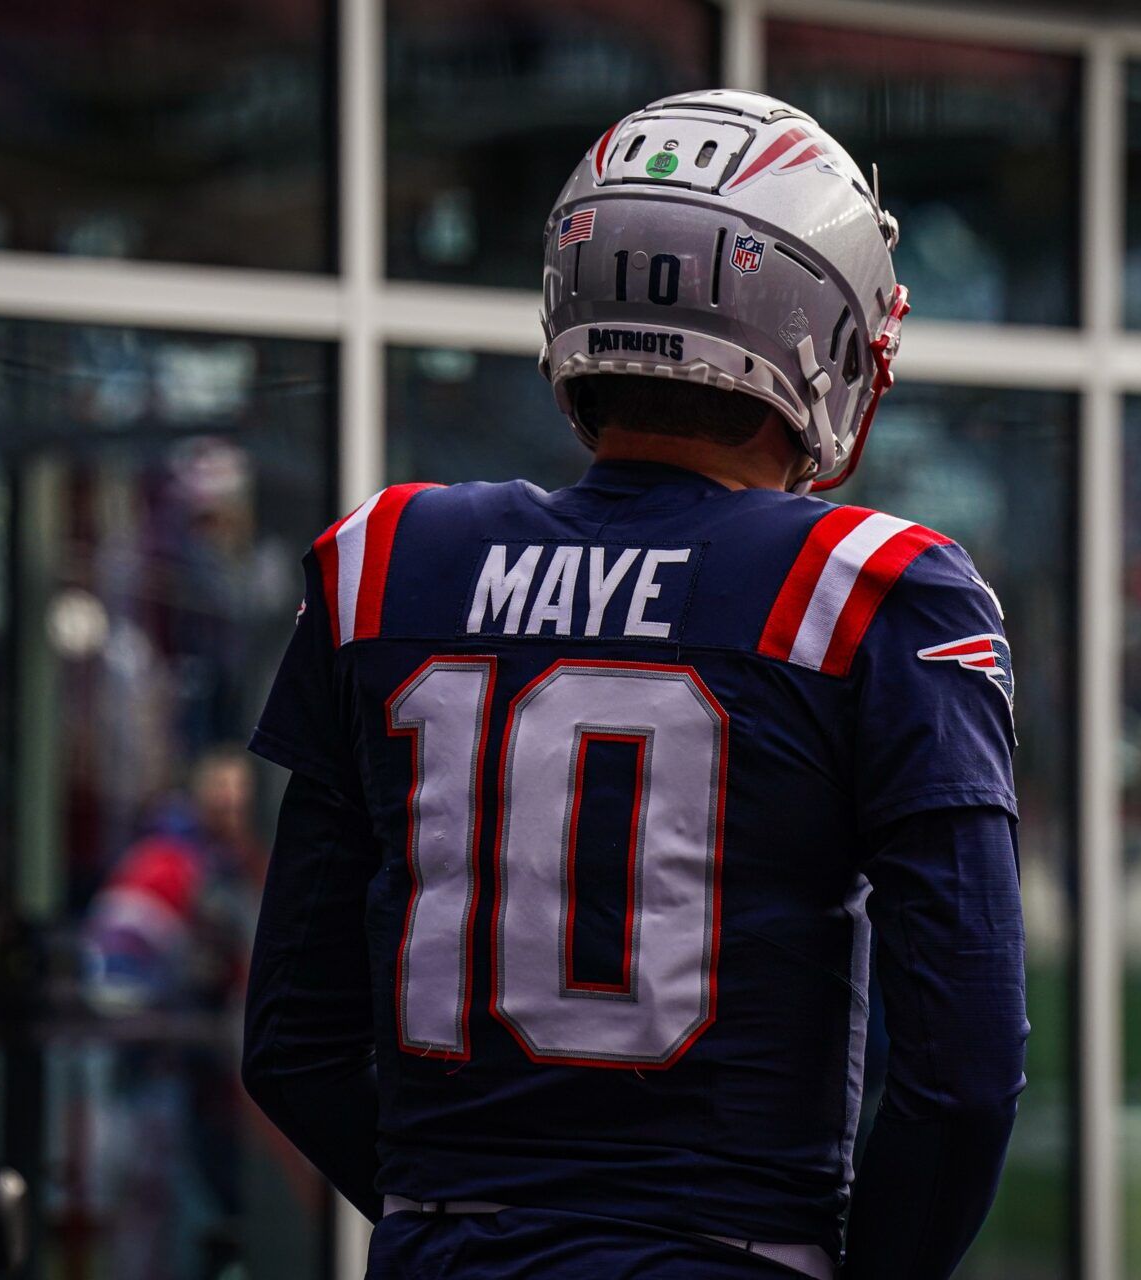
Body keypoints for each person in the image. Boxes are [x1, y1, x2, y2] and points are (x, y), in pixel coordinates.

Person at [242, 90, 1028, 1280]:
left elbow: (294, 1046)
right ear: (822, 332)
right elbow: (961, 1074)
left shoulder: (388, 563)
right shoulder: (873, 591)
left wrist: (458, 1213)